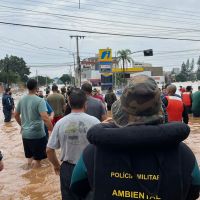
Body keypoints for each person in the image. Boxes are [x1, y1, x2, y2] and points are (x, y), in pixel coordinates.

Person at [70, 75, 200, 200]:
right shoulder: (183, 153)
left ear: (122, 111)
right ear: (159, 110)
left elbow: (77, 187)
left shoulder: (93, 151)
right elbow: (193, 192)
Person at [46, 88, 100, 200]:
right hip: (91, 168)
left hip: (68, 169)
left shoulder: (60, 123)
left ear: (69, 103)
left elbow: (49, 150)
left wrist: (56, 166)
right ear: (86, 104)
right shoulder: (95, 122)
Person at [14, 79, 53, 168]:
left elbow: (16, 115)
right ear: (36, 87)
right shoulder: (40, 100)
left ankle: (30, 178)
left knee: (30, 159)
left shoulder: (22, 99)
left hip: (25, 135)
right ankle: (36, 180)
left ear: (27, 87)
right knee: (38, 161)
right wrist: (52, 129)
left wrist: (22, 126)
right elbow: (45, 118)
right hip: (37, 134)